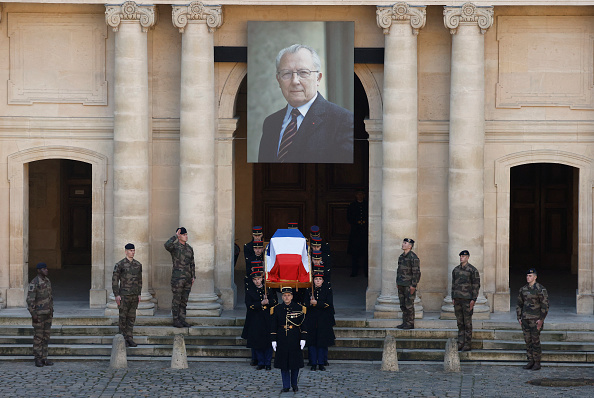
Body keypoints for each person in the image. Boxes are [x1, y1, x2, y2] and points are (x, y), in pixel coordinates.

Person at [258, 44, 353, 163]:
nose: (295, 81)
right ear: (278, 80)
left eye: (303, 72)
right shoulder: (270, 123)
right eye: (286, 73)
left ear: (318, 78)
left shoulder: (344, 121)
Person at [270, 287, 307, 393]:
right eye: (284, 295)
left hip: (295, 337)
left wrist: (303, 338)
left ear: (292, 296)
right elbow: (274, 325)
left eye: (288, 295)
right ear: (282, 297)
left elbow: (303, 325)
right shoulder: (277, 308)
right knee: (283, 363)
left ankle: (294, 384)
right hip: (282, 337)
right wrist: (273, 339)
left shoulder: (298, 308)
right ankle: (286, 385)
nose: (286, 297)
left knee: (295, 363)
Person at [241, 271, 277, 370]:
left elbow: (275, 302)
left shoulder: (268, 289)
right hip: (256, 319)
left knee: (268, 342)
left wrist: (268, 301)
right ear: (253, 280)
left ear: (262, 279)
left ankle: (268, 362)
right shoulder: (250, 291)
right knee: (257, 342)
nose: (257, 281)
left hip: (267, 319)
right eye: (255, 280)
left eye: (259, 279)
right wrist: (261, 303)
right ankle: (261, 362)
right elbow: (249, 305)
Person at [517, 268, 549, 371]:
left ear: (535, 277)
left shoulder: (540, 289)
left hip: (535, 320)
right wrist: (519, 317)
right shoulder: (523, 289)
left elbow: (545, 306)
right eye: (527, 276)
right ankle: (530, 361)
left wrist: (541, 320)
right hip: (525, 319)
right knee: (528, 341)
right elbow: (519, 304)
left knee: (535, 342)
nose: (528, 277)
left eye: (530, 276)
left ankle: (537, 362)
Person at [112, 243, 142, 347]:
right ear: (126, 252)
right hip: (124, 295)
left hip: (134, 295)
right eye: (130, 250)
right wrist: (116, 294)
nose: (132, 252)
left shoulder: (138, 265)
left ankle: (130, 338)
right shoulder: (120, 264)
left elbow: (139, 281)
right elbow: (115, 281)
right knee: (123, 318)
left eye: (133, 250)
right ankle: (122, 339)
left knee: (131, 318)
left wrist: (139, 294)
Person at [164, 227, 195, 328]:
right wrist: (175, 236)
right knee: (176, 300)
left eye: (186, 235)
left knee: (184, 300)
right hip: (177, 279)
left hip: (187, 278)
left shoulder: (189, 248)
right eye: (184, 235)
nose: (186, 236)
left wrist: (193, 276)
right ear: (180, 236)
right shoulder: (175, 247)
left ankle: (182, 319)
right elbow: (166, 245)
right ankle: (176, 320)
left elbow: (192, 263)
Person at [306, 270, 335, 371]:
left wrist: (317, 303)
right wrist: (310, 303)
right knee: (312, 342)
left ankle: (321, 362)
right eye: (316, 279)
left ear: (323, 281)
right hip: (312, 319)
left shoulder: (327, 289)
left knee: (322, 342)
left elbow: (328, 304)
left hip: (323, 319)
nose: (318, 281)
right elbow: (305, 304)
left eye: (319, 279)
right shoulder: (309, 290)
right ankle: (313, 363)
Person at [451, 250, 480, 352]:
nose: (461, 258)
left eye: (463, 256)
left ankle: (467, 343)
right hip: (458, 299)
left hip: (467, 300)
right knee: (460, 322)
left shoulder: (472, 270)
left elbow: (476, 286)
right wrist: (453, 297)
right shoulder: (456, 270)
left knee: (467, 323)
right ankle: (460, 342)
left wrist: (473, 299)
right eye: (461, 256)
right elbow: (453, 285)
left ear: (468, 257)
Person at [26, 262, 54, 367]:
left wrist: (52, 310)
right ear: (38, 270)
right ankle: (37, 358)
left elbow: (50, 297)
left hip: (48, 314)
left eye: (46, 268)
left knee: (46, 337)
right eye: (43, 269)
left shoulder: (47, 281)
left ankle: (44, 358)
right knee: (38, 337)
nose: (46, 270)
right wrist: (33, 314)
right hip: (38, 315)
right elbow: (30, 300)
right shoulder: (34, 282)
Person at [396, 238, 421, 329]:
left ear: (410, 246)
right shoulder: (401, 257)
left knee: (409, 304)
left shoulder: (413, 257)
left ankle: (410, 323)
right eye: (403, 242)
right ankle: (405, 322)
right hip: (401, 283)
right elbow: (399, 271)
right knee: (402, 304)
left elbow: (416, 273)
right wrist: (397, 282)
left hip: (408, 285)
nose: (403, 244)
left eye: (405, 243)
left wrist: (413, 285)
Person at [347, 188, 368, 277]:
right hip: (355, 231)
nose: (360, 196)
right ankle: (354, 271)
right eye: (358, 194)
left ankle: (366, 271)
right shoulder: (352, 205)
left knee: (366, 252)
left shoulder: (367, 205)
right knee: (355, 253)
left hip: (365, 231)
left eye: (361, 194)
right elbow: (349, 217)